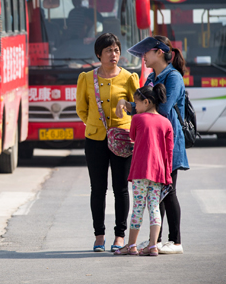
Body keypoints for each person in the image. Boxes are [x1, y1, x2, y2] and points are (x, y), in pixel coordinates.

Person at [116, 35, 189, 254]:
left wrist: (134, 108)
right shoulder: (151, 78)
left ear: (158, 52)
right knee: (158, 196)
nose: (143, 58)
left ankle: (175, 241)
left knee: (169, 192)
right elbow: (144, 104)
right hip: (152, 145)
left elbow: (163, 110)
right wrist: (129, 104)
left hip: (168, 143)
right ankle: (153, 243)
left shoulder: (173, 77)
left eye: (145, 53)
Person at [76, 32, 139, 252]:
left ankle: (120, 236)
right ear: (98, 54)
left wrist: (125, 114)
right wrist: (95, 125)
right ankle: (99, 236)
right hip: (95, 139)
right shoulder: (86, 78)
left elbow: (138, 107)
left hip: (122, 139)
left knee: (121, 189)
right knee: (98, 188)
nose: (114, 54)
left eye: (116, 50)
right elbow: (81, 109)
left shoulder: (129, 78)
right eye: (108, 51)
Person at [114, 83, 173, 256]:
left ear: (146, 102)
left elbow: (132, 136)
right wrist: (167, 174)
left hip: (140, 170)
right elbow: (169, 152)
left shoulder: (137, 119)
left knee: (138, 207)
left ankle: (131, 245)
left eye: (136, 103)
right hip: (158, 172)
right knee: (154, 206)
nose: (135, 107)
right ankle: (153, 245)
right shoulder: (166, 122)